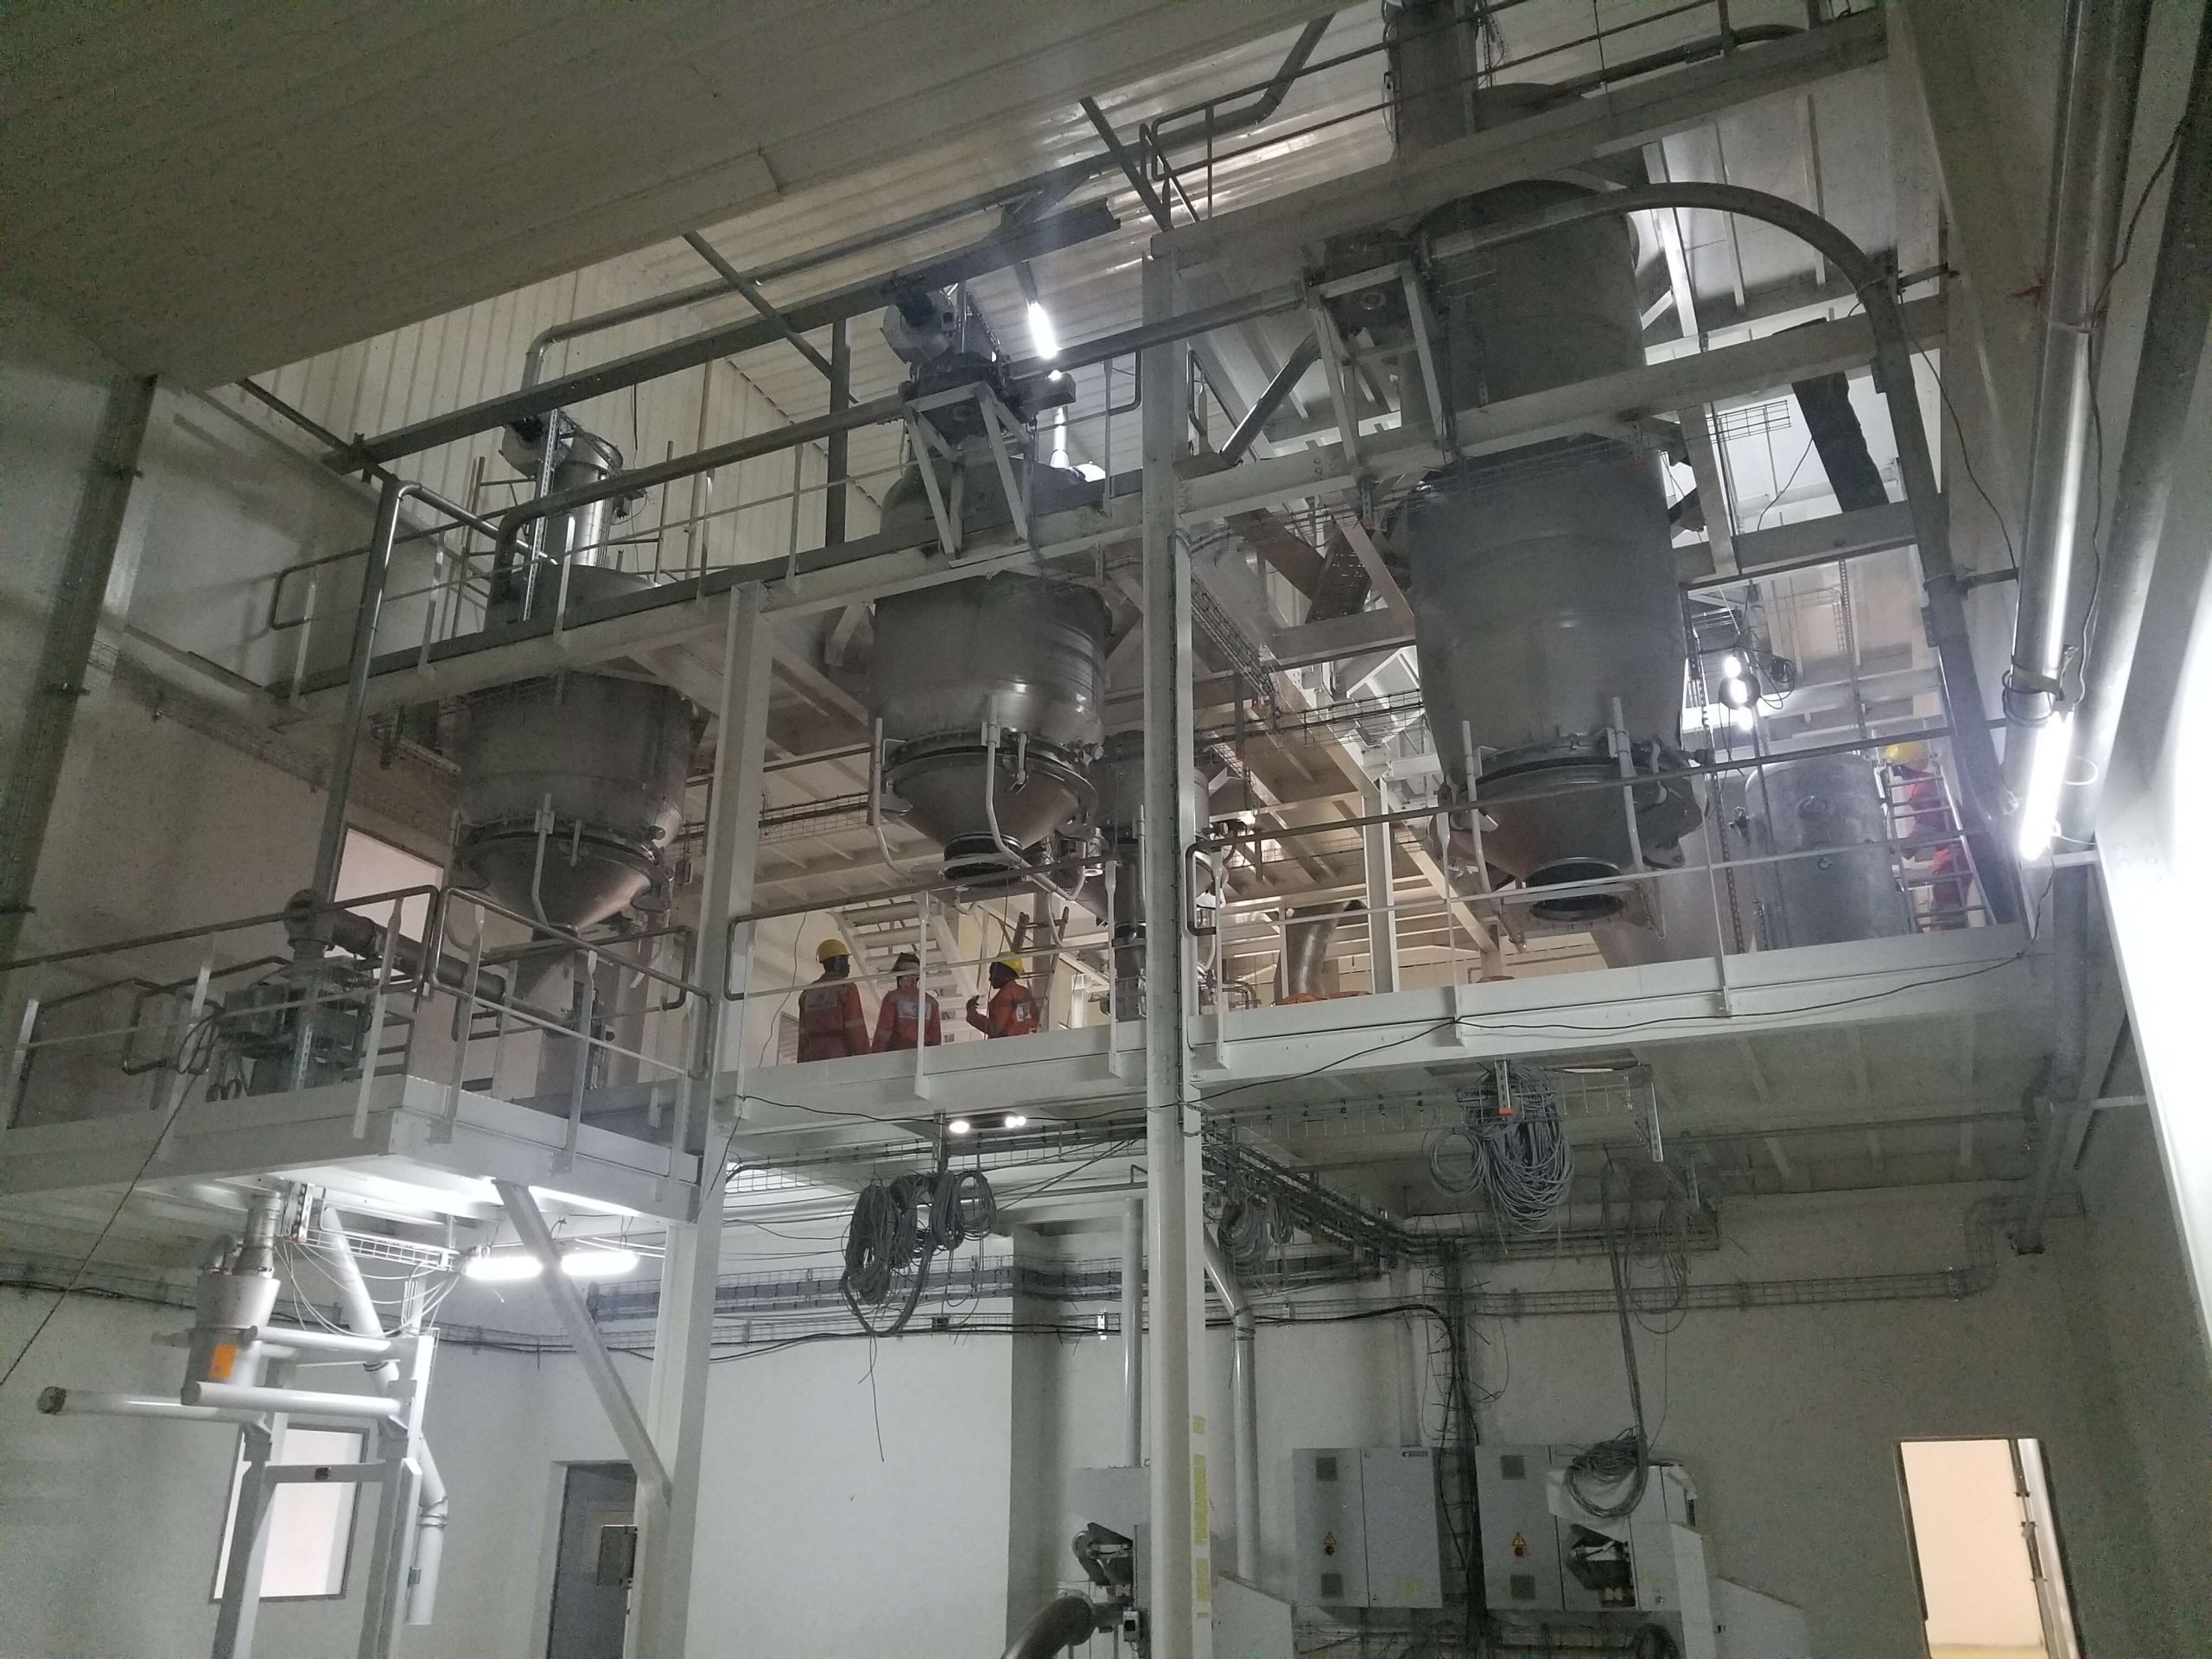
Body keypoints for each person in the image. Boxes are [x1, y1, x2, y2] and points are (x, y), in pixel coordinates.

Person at [796, 938, 870, 1061]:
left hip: (811, 1054)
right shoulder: (846, 988)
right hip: (837, 1053)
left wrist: (801, 1063)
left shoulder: (807, 993)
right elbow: (856, 1028)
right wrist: (866, 1060)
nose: (848, 966)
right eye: (845, 960)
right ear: (837, 961)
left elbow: (803, 1034)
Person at [872, 950, 944, 1052]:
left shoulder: (892, 998)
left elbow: (884, 1032)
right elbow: (935, 1038)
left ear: (900, 976)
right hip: (921, 1055)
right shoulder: (932, 1003)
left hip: (896, 1054)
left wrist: (876, 1055)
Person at [966, 956, 1041, 1039]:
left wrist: (971, 1013)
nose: (990, 979)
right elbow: (1035, 1023)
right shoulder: (1024, 992)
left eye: (993, 973)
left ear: (1004, 972)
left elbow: (995, 1029)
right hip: (1023, 1042)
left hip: (1004, 1044)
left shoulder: (1005, 995)